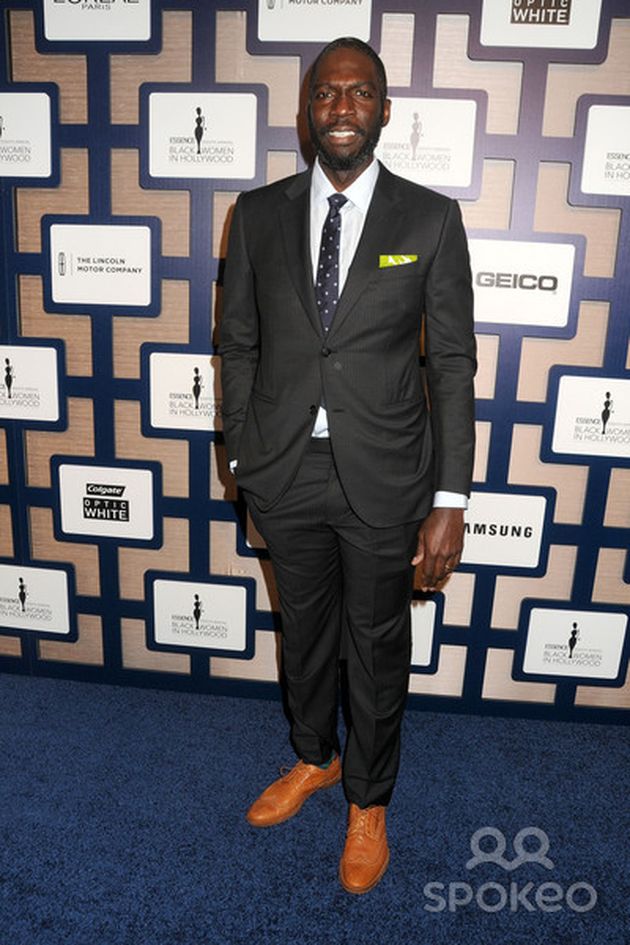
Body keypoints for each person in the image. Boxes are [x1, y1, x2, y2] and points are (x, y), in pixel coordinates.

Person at [220, 37, 476, 894]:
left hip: (385, 473)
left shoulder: (430, 219)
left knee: (374, 645)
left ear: (384, 109)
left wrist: (451, 496)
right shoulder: (256, 214)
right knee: (302, 634)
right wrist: (242, 452)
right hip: (283, 468)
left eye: (359, 93)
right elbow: (238, 344)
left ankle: (368, 800)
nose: (341, 108)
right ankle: (313, 756)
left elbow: (452, 365)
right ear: (307, 110)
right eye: (326, 93)